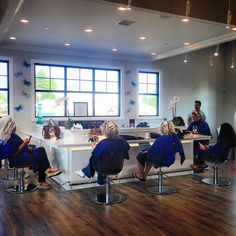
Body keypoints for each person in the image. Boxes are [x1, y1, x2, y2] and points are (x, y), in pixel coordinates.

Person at [0, 116, 62, 189]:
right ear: (9, 127)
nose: (16, 128)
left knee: (39, 152)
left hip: (22, 154)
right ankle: (45, 173)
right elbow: (14, 153)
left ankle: (42, 171)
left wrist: (28, 146)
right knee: (40, 152)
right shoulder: (6, 140)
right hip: (18, 159)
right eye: (14, 127)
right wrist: (25, 143)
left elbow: (19, 145)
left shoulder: (12, 135)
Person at [76, 120, 130, 184]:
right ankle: (92, 175)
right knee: (104, 160)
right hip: (118, 167)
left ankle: (87, 172)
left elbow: (95, 157)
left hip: (103, 169)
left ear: (104, 131)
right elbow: (126, 151)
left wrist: (95, 148)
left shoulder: (103, 143)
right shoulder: (122, 140)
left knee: (96, 159)